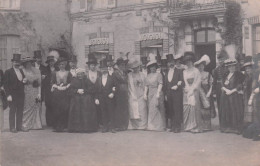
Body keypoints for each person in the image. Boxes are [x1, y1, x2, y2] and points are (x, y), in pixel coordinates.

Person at [220, 58, 245, 134]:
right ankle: (228, 127)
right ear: (227, 67)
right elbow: (222, 84)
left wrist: (231, 91)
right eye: (230, 66)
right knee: (227, 110)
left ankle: (236, 128)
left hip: (235, 95)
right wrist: (225, 89)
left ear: (235, 66)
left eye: (233, 66)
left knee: (235, 110)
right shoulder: (225, 74)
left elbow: (240, 85)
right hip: (226, 95)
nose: (231, 68)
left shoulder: (239, 74)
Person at [4, 54, 26, 133]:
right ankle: (12, 127)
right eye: (15, 62)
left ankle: (19, 127)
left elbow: (22, 82)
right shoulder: (8, 72)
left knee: (20, 111)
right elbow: (5, 85)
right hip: (12, 95)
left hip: (21, 94)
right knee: (12, 111)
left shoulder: (21, 71)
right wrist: (8, 95)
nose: (17, 63)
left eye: (18, 62)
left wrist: (24, 81)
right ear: (12, 62)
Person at [144, 54, 166, 131]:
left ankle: (159, 125)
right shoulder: (148, 76)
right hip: (150, 93)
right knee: (151, 109)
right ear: (149, 68)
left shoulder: (158, 74)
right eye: (151, 67)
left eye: (154, 67)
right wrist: (145, 94)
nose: (152, 68)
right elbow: (146, 85)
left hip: (157, 92)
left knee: (156, 108)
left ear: (155, 67)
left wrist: (158, 93)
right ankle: (151, 125)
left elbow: (160, 83)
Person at [182, 52, 203, 133]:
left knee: (194, 107)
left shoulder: (196, 70)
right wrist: (187, 88)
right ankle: (188, 126)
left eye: (190, 61)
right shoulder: (184, 71)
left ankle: (196, 126)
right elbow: (185, 81)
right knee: (186, 107)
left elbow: (198, 81)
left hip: (194, 91)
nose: (188, 63)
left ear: (192, 61)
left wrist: (192, 89)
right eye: (187, 61)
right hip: (187, 90)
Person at [21, 57, 42, 131]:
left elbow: (39, 83)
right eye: (26, 63)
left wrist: (39, 93)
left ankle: (35, 125)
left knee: (35, 106)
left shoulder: (36, 71)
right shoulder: (22, 71)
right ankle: (25, 124)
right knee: (26, 107)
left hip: (35, 90)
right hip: (26, 91)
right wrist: (23, 81)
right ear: (24, 63)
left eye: (30, 62)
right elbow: (19, 82)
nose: (28, 64)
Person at [51, 57, 72, 132]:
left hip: (65, 93)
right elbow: (52, 82)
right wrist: (56, 86)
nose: (61, 66)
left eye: (63, 64)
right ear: (58, 65)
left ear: (65, 65)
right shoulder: (55, 73)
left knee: (64, 109)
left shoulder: (68, 73)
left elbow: (71, 82)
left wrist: (66, 87)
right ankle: (57, 126)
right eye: (60, 64)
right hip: (57, 93)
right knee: (57, 109)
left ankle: (63, 126)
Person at [164, 54, 184, 133]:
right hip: (169, 94)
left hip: (177, 93)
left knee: (177, 109)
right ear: (167, 64)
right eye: (169, 62)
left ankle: (177, 127)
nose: (170, 64)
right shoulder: (166, 73)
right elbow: (165, 84)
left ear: (174, 62)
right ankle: (172, 126)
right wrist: (165, 94)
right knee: (170, 109)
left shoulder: (179, 71)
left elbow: (182, 81)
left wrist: (177, 86)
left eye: (172, 62)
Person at [194, 55, 214, 131]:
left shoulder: (208, 74)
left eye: (202, 66)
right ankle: (200, 125)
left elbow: (211, 84)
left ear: (204, 66)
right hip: (198, 92)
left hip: (206, 92)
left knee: (206, 108)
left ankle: (207, 126)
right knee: (199, 108)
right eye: (199, 66)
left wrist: (209, 92)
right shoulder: (196, 74)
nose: (201, 67)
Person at [96, 59, 116, 133]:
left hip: (109, 98)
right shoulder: (98, 79)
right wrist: (96, 98)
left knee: (111, 112)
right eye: (102, 68)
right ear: (100, 70)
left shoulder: (112, 78)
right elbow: (96, 90)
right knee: (103, 112)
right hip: (101, 98)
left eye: (105, 68)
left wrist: (113, 93)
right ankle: (105, 127)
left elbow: (115, 86)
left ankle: (112, 127)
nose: (103, 70)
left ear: (107, 69)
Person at [128, 60, 147, 130]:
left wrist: (145, 93)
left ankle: (143, 125)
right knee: (133, 109)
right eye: (134, 68)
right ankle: (134, 126)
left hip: (141, 94)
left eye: (137, 67)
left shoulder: (143, 75)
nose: (136, 69)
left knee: (142, 109)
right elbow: (128, 86)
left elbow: (146, 84)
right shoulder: (129, 75)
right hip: (133, 93)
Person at [68, 68, 87, 132]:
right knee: (76, 112)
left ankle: (84, 128)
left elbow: (91, 88)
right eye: (78, 74)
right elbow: (70, 90)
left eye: (81, 74)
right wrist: (77, 91)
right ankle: (75, 128)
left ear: (83, 74)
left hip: (85, 99)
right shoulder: (74, 81)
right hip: (76, 100)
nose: (80, 76)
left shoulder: (86, 80)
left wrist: (84, 90)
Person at [113, 57, 129, 131]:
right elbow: (117, 83)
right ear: (118, 66)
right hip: (119, 93)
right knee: (119, 109)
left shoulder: (124, 72)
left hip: (125, 92)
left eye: (123, 65)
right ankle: (119, 125)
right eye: (121, 65)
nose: (123, 66)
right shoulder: (115, 73)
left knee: (124, 108)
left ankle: (124, 125)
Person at [84, 56, 100, 132]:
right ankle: (91, 125)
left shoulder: (98, 73)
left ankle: (98, 124)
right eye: (91, 65)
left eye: (94, 65)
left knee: (98, 109)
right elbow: (84, 84)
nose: (93, 66)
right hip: (89, 94)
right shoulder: (86, 74)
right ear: (89, 66)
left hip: (98, 93)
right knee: (90, 109)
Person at [212, 50, 228, 125]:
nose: (221, 61)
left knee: (227, 105)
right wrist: (214, 91)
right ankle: (222, 124)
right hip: (218, 88)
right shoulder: (216, 70)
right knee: (220, 105)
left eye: (222, 59)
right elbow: (214, 82)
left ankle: (227, 123)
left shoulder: (228, 68)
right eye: (219, 59)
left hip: (227, 88)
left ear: (225, 59)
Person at [43, 56, 56, 127]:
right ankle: (49, 122)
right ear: (48, 62)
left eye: (52, 61)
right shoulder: (45, 69)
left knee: (55, 105)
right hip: (47, 90)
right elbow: (43, 80)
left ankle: (54, 121)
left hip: (55, 89)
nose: (51, 63)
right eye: (50, 61)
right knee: (48, 105)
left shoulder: (57, 69)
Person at [242, 56, 254, 123]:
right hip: (246, 94)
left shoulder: (254, 76)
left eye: (249, 68)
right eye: (246, 69)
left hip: (253, 95)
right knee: (248, 110)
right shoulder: (246, 77)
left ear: (252, 69)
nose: (247, 70)